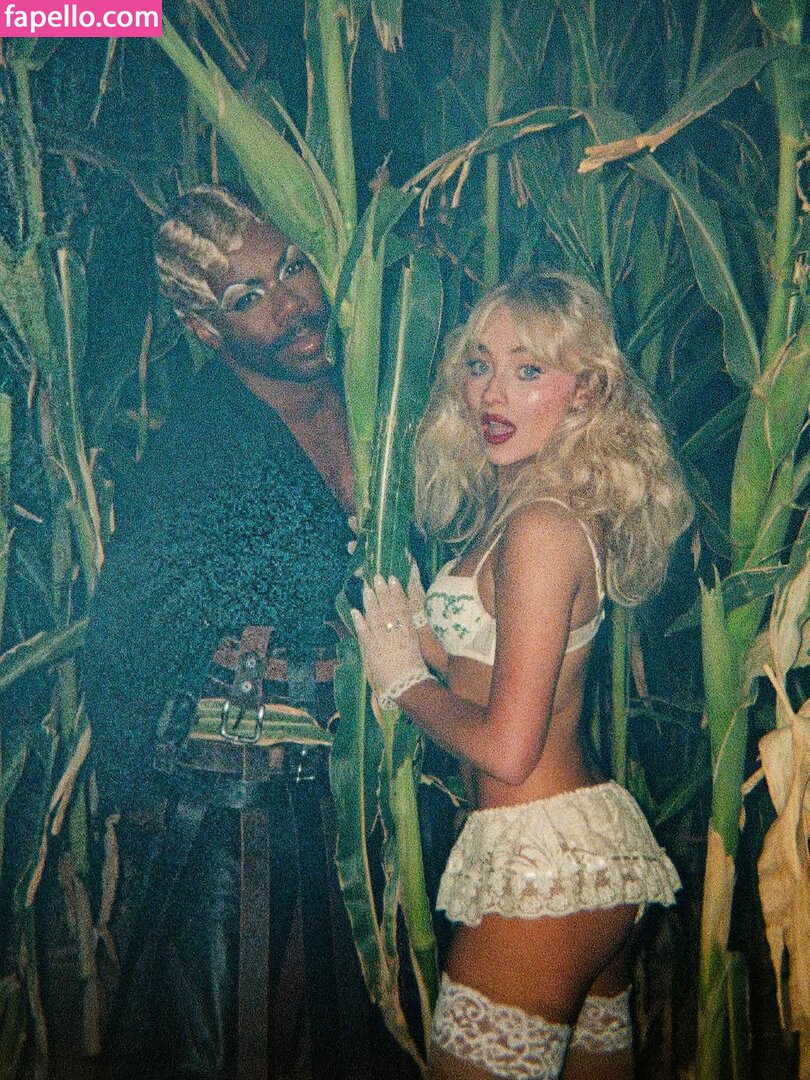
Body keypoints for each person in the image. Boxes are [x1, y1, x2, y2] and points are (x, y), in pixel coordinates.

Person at [84, 185, 408, 1079]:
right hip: (250, 798)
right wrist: (139, 798)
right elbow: (126, 630)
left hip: (382, 777)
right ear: (207, 329)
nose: (292, 304)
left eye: (292, 267)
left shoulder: (382, 391)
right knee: (248, 1032)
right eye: (248, 297)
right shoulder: (200, 450)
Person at [351, 270, 694, 1080]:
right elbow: (486, 669)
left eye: (528, 369)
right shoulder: (525, 511)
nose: (491, 394)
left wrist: (404, 682)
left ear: (587, 391)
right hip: (578, 853)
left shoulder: (541, 528)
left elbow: (507, 749)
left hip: (541, 865)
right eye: (479, 364)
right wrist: (422, 638)